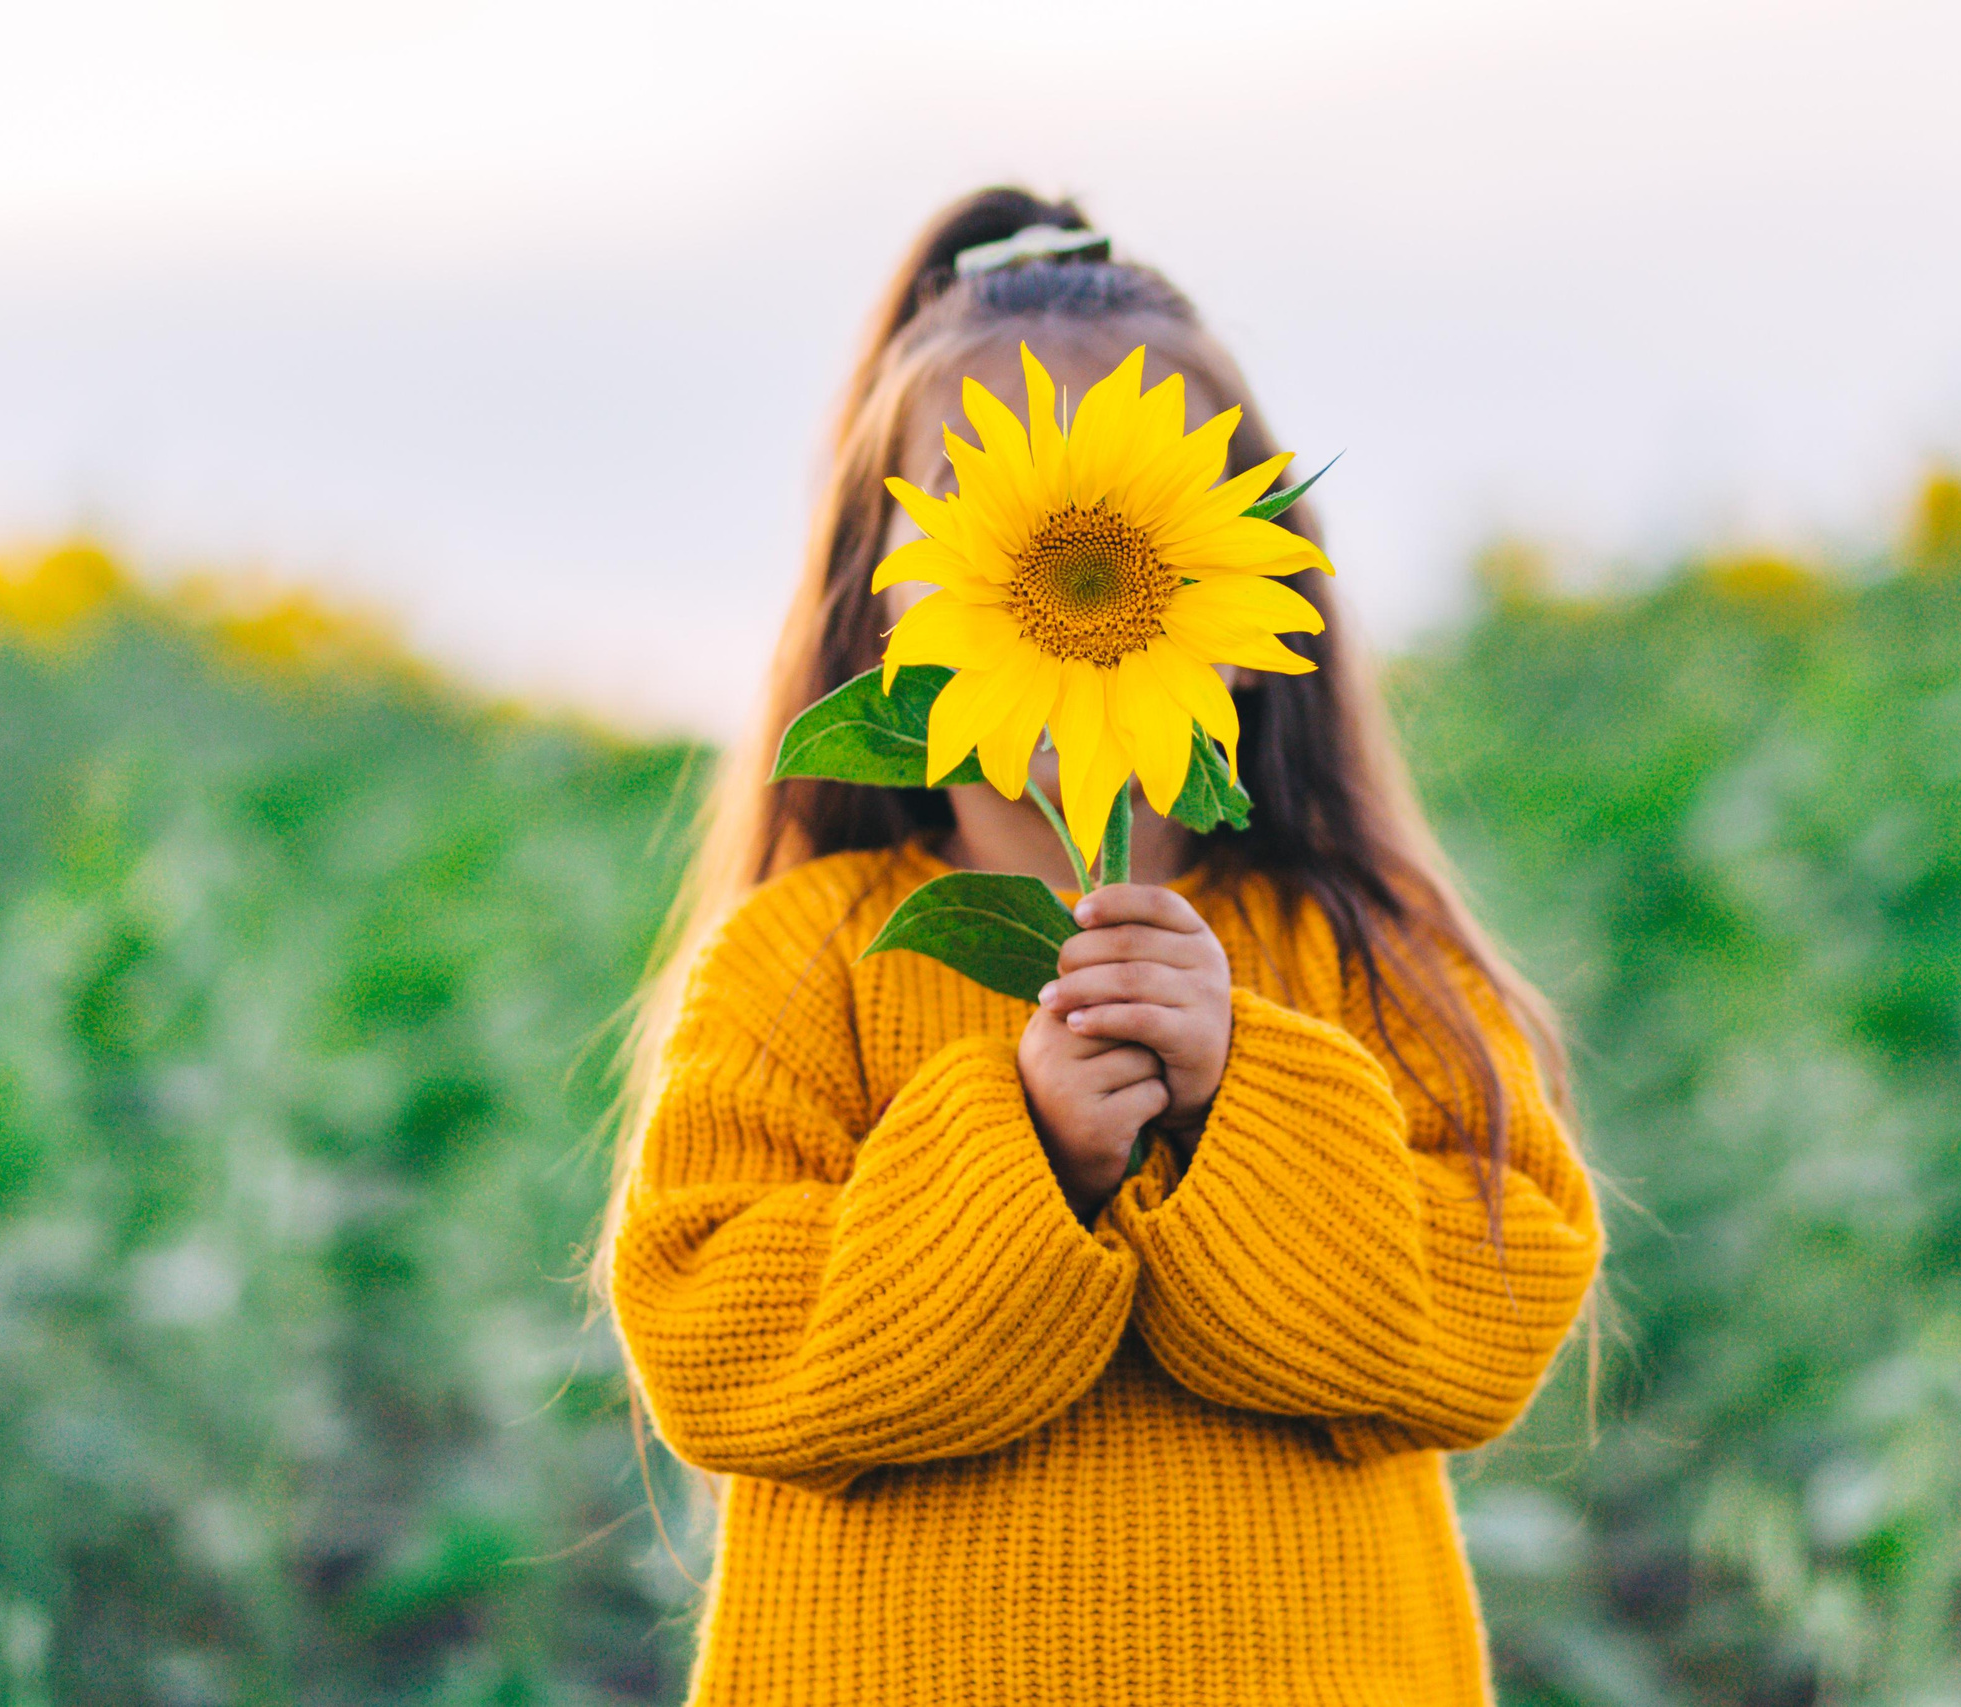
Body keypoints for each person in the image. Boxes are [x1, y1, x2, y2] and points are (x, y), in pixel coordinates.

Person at [591, 185, 1606, 1707]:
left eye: (1160, 530)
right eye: (990, 533)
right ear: (880, 594)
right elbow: (711, 1337)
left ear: (1255, 565)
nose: (1091, 571)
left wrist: (1244, 1092)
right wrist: (1023, 1146)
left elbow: (1493, 1303)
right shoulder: (808, 957)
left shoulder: (1355, 944)